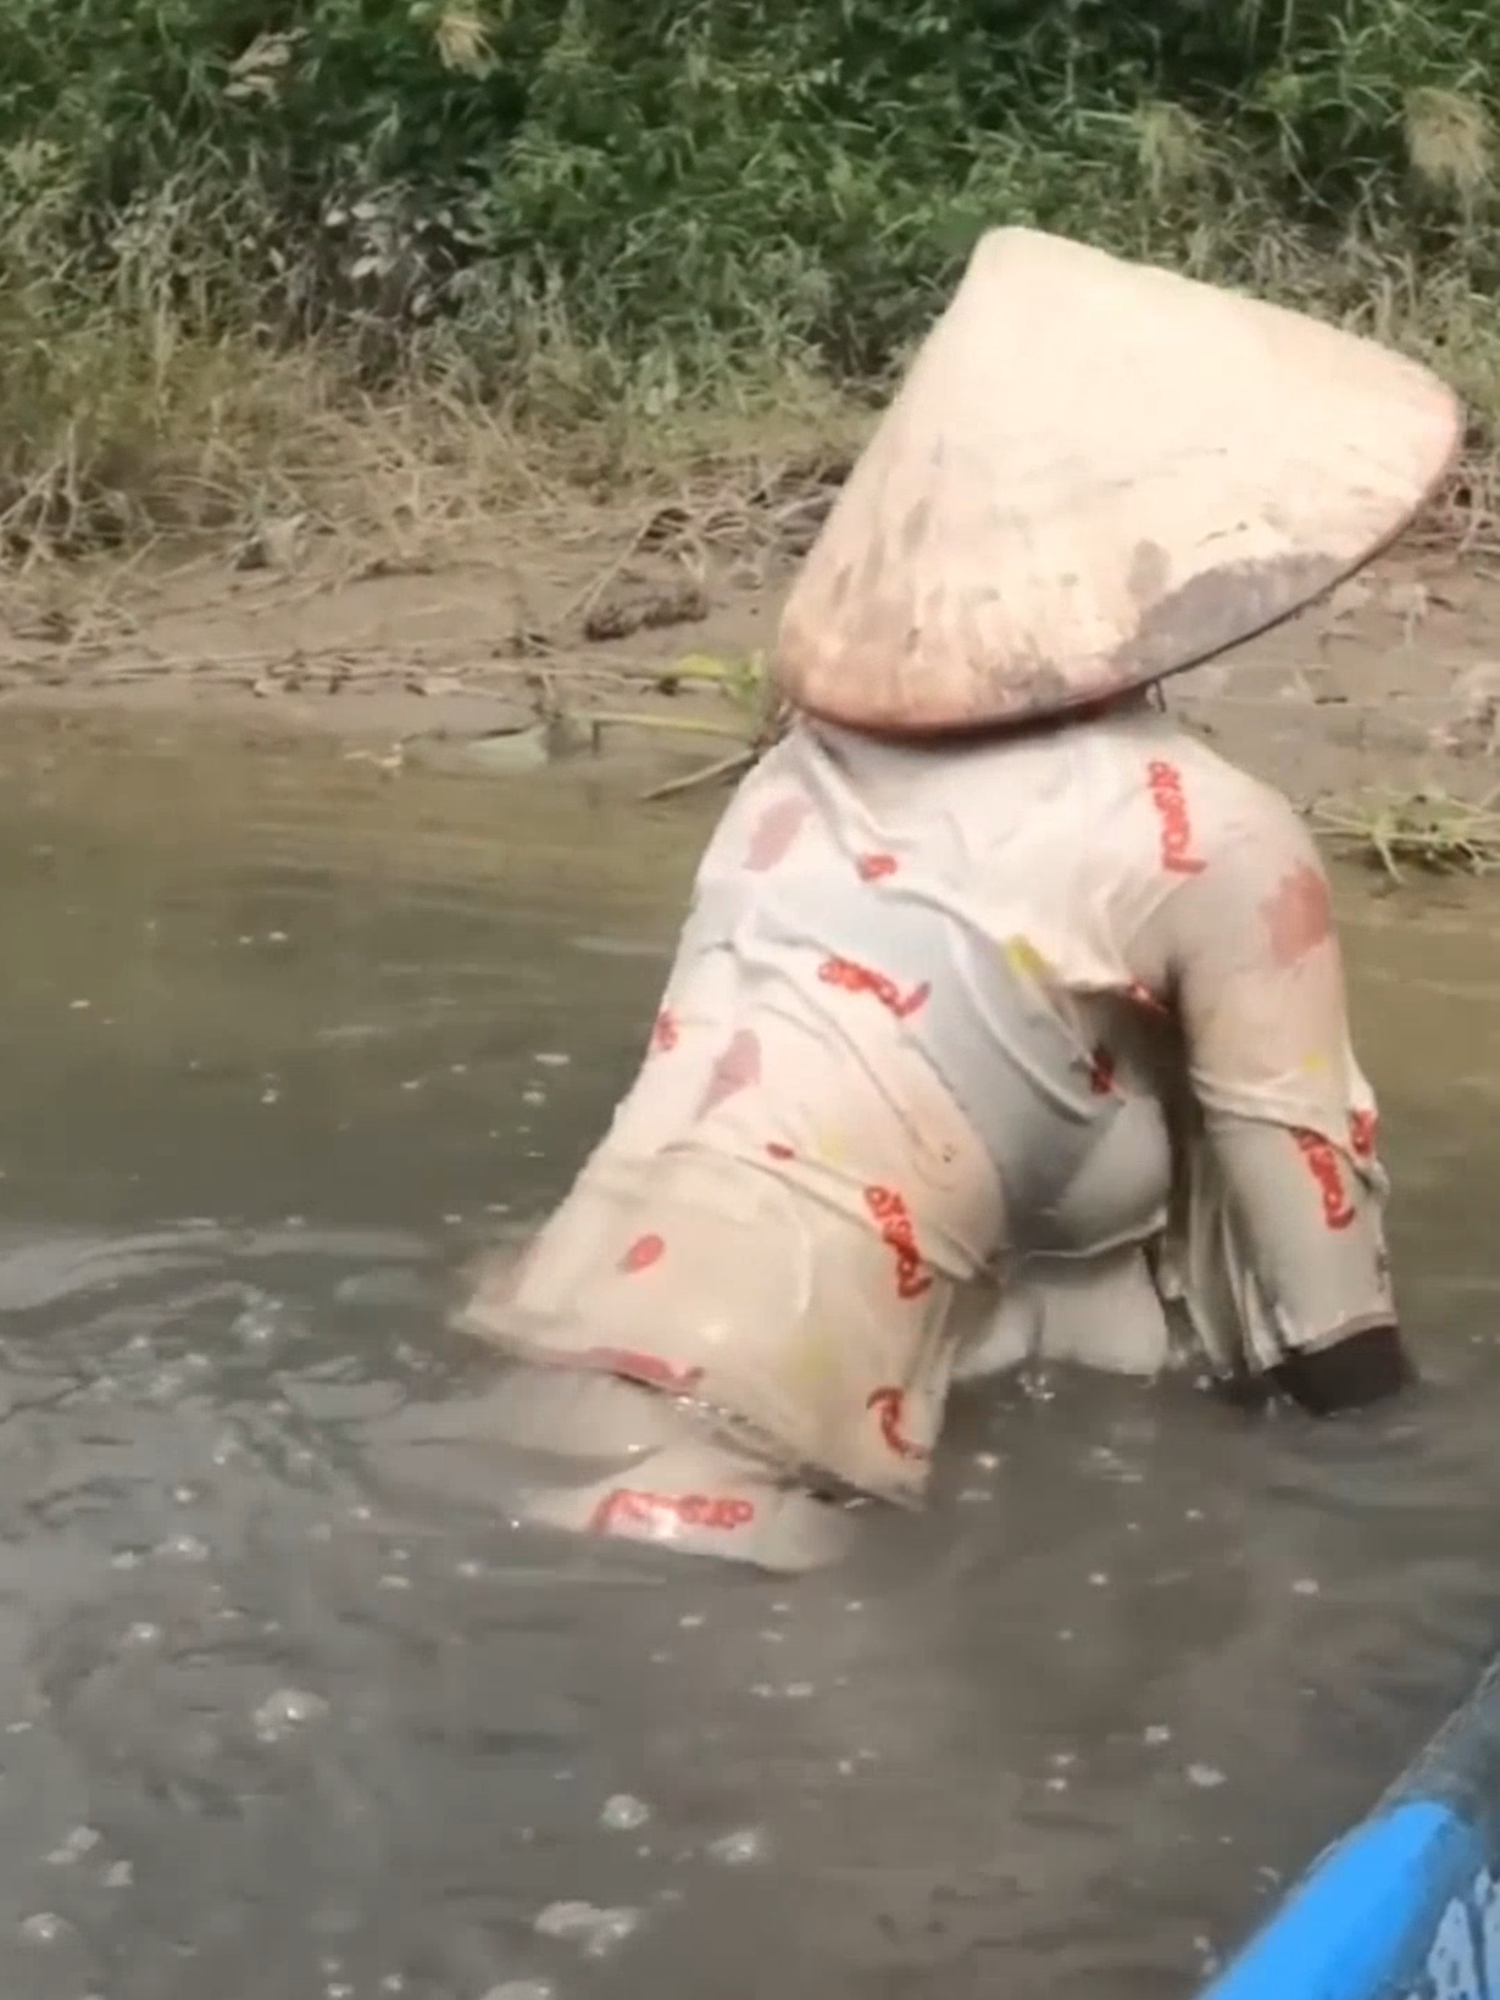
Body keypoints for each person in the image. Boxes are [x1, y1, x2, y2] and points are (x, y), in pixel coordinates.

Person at [453, 228, 1462, 1572]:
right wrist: (1402, 1508)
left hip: (531, 1368)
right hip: (749, 1473)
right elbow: (1330, 1317)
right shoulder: (1214, 835)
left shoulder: (793, 779)